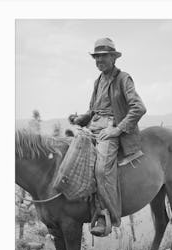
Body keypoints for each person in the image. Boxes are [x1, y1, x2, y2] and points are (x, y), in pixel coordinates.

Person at [69, 38, 146, 236]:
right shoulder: (98, 81)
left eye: (103, 56)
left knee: (102, 169)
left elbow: (139, 108)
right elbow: (93, 110)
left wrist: (117, 129)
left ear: (113, 57)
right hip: (93, 127)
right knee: (70, 157)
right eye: (96, 57)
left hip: (110, 129)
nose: (99, 60)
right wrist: (81, 118)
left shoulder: (123, 78)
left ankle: (108, 216)